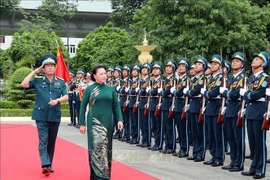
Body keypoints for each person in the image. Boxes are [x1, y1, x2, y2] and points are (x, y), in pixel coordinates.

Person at [21, 54, 68, 176]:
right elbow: (24, 84)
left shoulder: (60, 82)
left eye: (52, 65)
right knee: (43, 140)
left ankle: (49, 164)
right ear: (43, 68)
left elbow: (66, 96)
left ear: (55, 67)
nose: (50, 68)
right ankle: (45, 164)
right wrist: (34, 72)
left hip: (54, 115)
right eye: (47, 66)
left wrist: (57, 100)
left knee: (51, 141)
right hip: (41, 115)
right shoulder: (37, 80)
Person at [79, 64, 124, 180]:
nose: (104, 76)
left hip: (107, 123)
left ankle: (105, 174)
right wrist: (82, 124)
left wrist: (120, 119)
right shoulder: (89, 89)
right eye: (101, 74)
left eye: (105, 73)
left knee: (105, 148)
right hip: (94, 123)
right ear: (95, 75)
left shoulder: (110, 89)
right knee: (96, 148)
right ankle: (96, 176)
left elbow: (116, 105)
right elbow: (83, 106)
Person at [240, 51, 268, 179]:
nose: (254, 61)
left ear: (263, 64)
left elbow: (258, 94)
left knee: (259, 142)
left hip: (259, 111)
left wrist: (248, 95)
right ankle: (253, 167)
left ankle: (260, 170)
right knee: (252, 142)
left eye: (257, 59)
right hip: (251, 111)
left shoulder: (266, 78)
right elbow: (248, 94)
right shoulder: (250, 78)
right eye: (254, 59)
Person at [220, 52, 245, 172]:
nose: (234, 62)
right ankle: (233, 161)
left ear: (242, 64)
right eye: (233, 61)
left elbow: (236, 94)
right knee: (230, 137)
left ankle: (239, 163)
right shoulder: (230, 79)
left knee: (238, 138)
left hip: (237, 109)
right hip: (229, 109)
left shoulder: (244, 78)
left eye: (237, 61)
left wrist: (226, 93)